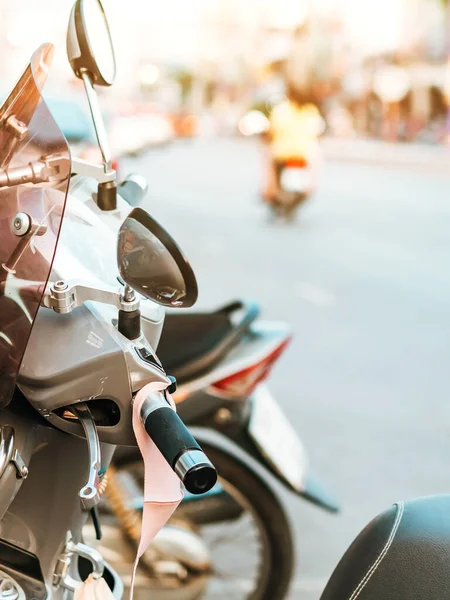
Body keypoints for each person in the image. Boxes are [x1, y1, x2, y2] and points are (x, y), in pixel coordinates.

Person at [262, 86, 324, 202]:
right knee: (316, 155)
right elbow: (317, 133)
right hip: (303, 154)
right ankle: (310, 187)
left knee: (267, 157)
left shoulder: (281, 110)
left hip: (281, 154)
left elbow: (271, 131)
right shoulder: (311, 111)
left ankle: (271, 189)